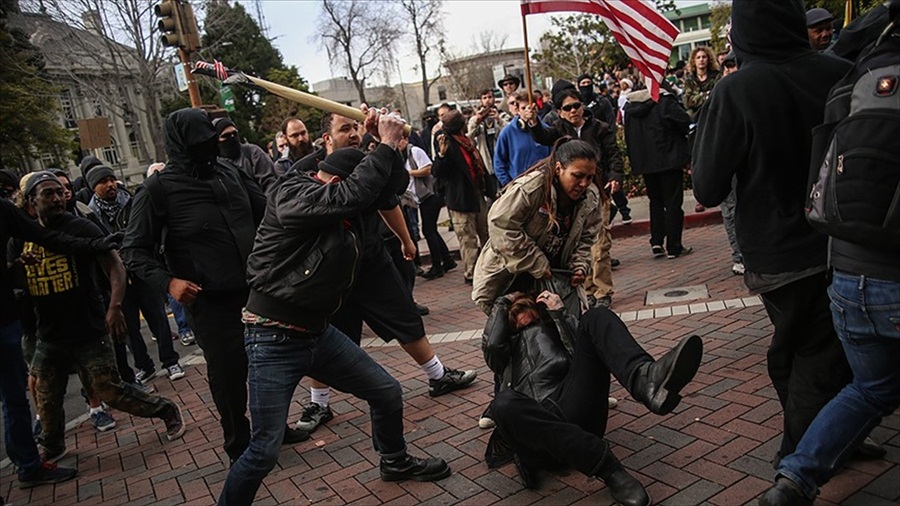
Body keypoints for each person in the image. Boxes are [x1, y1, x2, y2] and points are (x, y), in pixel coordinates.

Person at [220, 115, 451, 505]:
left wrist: (389, 143)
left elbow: (386, 190)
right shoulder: (293, 193)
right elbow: (353, 195)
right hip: (272, 336)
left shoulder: (350, 209)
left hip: (316, 333)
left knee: (386, 392)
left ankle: (394, 461)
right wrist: (380, 149)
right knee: (264, 449)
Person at [691, 0, 853, 466]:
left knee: (804, 355)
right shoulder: (840, 72)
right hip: (842, 239)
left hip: (777, 251)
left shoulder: (737, 90)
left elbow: (707, 185)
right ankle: (833, 435)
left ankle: (800, 463)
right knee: (817, 349)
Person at [122, 108, 307, 466]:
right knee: (228, 374)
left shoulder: (231, 172)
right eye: (200, 143)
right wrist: (169, 282)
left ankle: (274, 428)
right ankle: (238, 442)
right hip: (210, 302)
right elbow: (133, 250)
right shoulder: (157, 190)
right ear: (180, 145)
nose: (209, 147)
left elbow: (268, 211)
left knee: (269, 365)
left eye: (212, 140)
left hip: (257, 291)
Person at [290, 112, 475, 433]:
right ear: (326, 139)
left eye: (355, 127)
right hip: (329, 270)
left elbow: (389, 202)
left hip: (371, 259)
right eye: (344, 128)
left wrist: (407, 240)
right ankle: (318, 403)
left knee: (406, 318)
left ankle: (438, 375)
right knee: (321, 333)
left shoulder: (369, 162)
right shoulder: (306, 172)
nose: (352, 133)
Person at [20, 172, 185, 465]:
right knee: (45, 396)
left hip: (88, 329)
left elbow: (115, 266)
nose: (58, 198)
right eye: (48, 194)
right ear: (32, 201)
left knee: (111, 391)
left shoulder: (81, 227)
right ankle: (53, 444)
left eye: (60, 192)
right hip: (49, 334)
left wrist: (114, 306)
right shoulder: (22, 237)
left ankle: (166, 410)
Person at [483, 290, 702, 506]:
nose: (528, 329)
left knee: (596, 316)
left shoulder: (555, 330)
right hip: (536, 430)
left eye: (533, 323)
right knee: (503, 403)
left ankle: (645, 380)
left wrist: (559, 312)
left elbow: (582, 347)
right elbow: (492, 344)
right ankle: (611, 471)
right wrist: (503, 301)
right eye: (520, 327)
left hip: (571, 403)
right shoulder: (504, 356)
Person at [1, 197, 121, 490]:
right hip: (16, 324)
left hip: (7, 321)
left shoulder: (4, 211)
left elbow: (47, 237)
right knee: (18, 395)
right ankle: (31, 462)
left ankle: (30, 464)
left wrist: (96, 245)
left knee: (16, 397)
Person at [521, 82, 625, 307]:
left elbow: (614, 154)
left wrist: (615, 176)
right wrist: (532, 120)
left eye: (576, 105)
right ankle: (587, 289)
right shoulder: (559, 129)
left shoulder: (599, 127)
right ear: (559, 112)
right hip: (572, 197)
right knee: (580, 244)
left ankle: (603, 291)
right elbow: (542, 136)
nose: (573, 111)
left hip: (599, 192)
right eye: (567, 108)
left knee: (601, 243)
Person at [86, 165, 184, 383]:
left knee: (158, 318)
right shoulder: (90, 213)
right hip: (116, 279)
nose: (110, 185)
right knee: (129, 326)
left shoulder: (132, 202)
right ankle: (144, 365)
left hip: (142, 270)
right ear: (94, 187)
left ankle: (170, 361)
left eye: (112, 179)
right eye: (103, 181)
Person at [623, 81, 693, 259]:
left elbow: (629, 137)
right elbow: (685, 122)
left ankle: (656, 241)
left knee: (655, 202)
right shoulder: (665, 102)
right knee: (672, 203)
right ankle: (674, 246)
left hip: (646, 163)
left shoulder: (631, 107)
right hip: (668, 159)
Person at [432, 109, 490, 285]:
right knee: (467, 238)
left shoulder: (466, 141)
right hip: (460, 199)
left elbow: (478, 165)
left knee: (485, 232)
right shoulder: (446, 143)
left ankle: (489, 267)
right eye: (464, 121)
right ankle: (471, 273)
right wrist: (441, 155)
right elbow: (437, 172)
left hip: (476, 193)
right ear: (459, 125)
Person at [493, 91, 551, 187]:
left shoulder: (546, 130)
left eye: (530, 108)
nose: (527, 111)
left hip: (543, 185)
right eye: (523, 108)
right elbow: (499, 162)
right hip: (519, 188)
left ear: (536, 108)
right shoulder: (507, 132)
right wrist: (508, 184)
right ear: (518, 110)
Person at [214, 117, 284, 193]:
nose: (232, 137)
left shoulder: (252, 152)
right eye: (226, 136)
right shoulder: (215, 164)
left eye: (234, 133)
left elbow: (269, 182)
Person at [467, 89, 508, 196]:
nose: (488, 101)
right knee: (492, 195)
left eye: (490, 97)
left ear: (494, 98)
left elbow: (510, 131)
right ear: (481, 100)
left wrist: (498, 119)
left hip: (503, 159)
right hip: (486, 162)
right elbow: (468, 137)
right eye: (484, 98)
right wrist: (477, 121)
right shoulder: (475, 119)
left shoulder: (502, 115)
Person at [682, 46, 721, 122]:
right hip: (696, 118)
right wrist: (706, 95)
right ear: (694, 61)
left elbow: (717, 97)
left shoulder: (717, 76)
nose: (701, 59)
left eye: (704, 57)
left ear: (709, 59)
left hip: (714, 115)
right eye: (698, 57)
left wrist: (698, 96)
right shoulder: (689, 80)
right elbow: (687, 102)